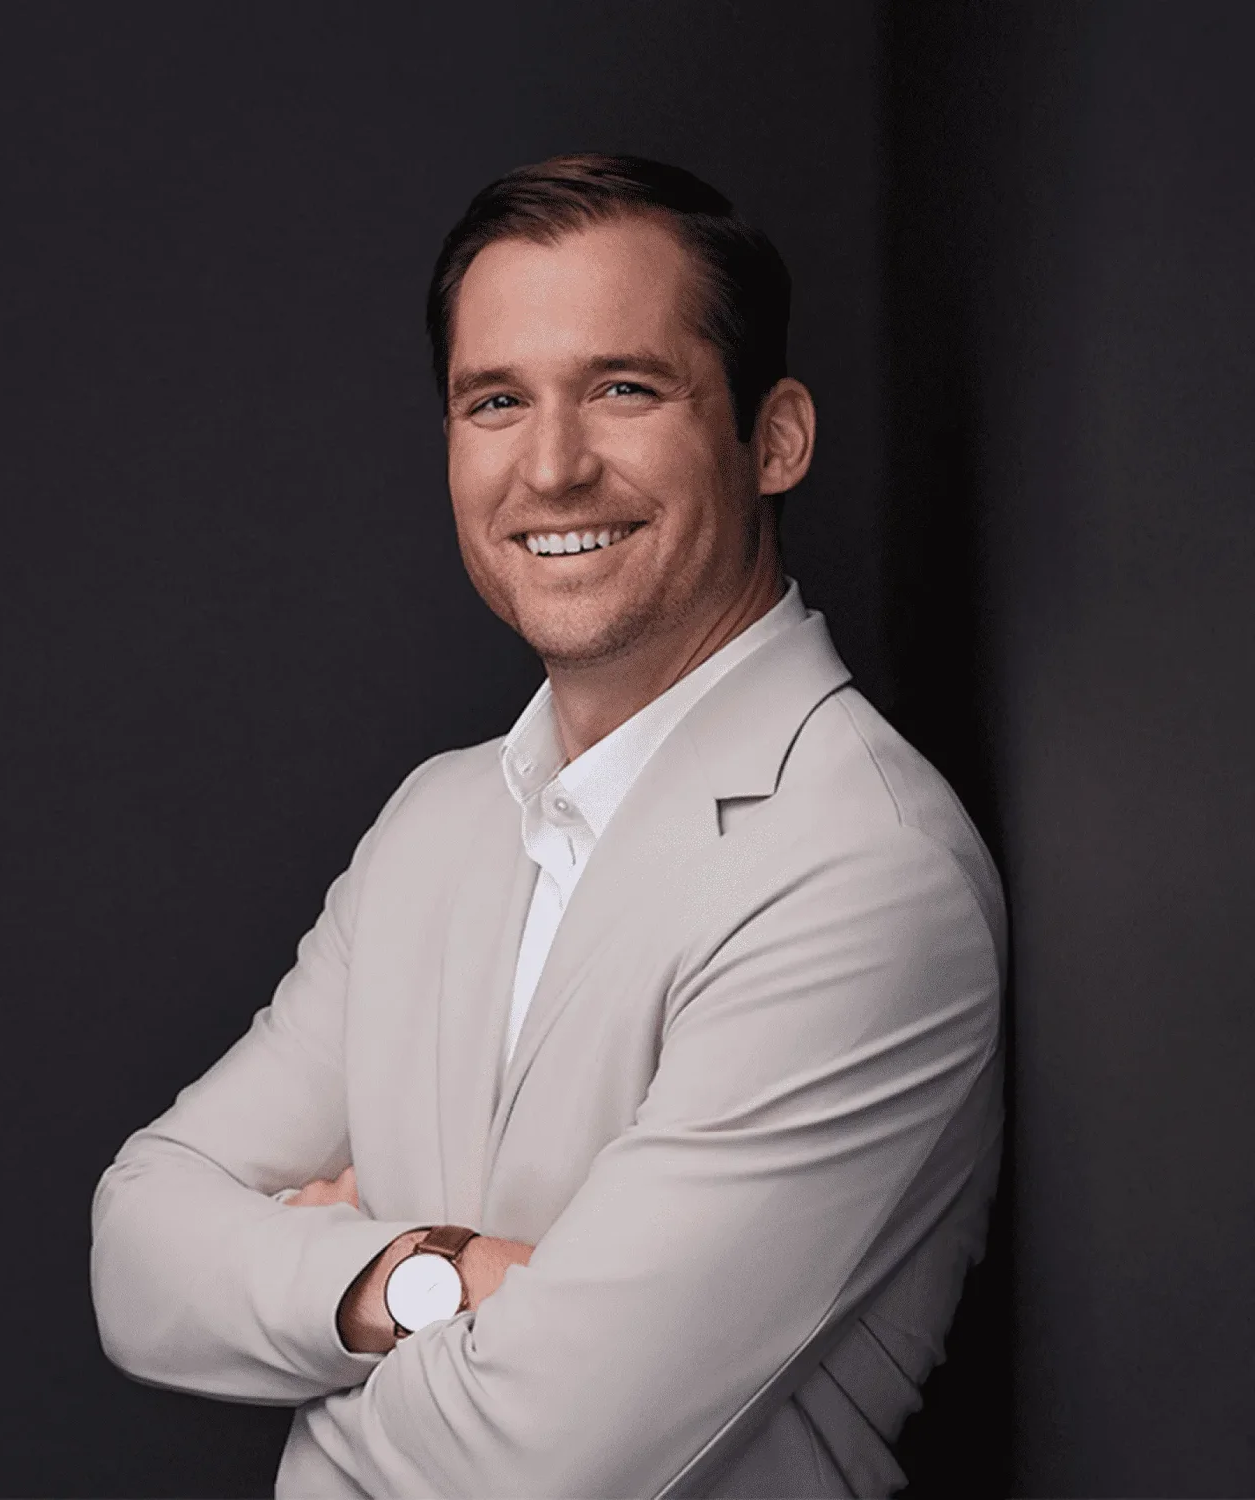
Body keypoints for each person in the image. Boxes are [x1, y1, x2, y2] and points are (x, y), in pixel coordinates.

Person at [88, 154, 1003, 1498]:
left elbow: (537, 1461)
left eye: (625, 388)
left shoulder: (860, 868)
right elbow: (138, 1248)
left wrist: (311, 1341)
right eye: (497, 401)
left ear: (774, 438)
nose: (554, 467)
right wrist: (428, 1278)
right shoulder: (437, 822)